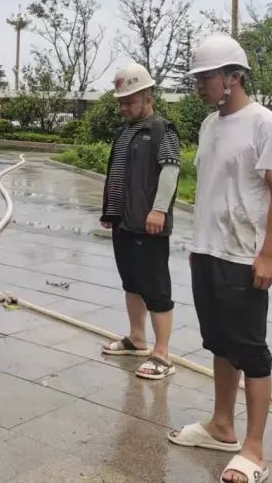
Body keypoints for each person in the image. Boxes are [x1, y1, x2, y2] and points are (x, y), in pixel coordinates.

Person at [168, 33, 272, 483]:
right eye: (197, 78)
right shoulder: (209, 125)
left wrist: (269, 255)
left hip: (243, 256)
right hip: (207, 252)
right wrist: (198, 247)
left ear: (233, 76)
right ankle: (222, 426)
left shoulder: (265, 125)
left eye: (206, 77)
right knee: (220, 343)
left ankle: (254, 450)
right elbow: (211, 188)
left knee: (251, 351)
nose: (199, 85)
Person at [99, 63, 182, 381]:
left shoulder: (162, 130)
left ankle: (162, 353)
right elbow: (118, 175)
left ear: (148, 95)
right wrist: (111, 212)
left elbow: (170, 171)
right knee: (131, 282)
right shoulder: (124, 132)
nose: (124, 107)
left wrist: (159, 210)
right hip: (124, 222)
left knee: (155, 287)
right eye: (121, 102)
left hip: (149, 224)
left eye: (130, 101)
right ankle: (136, 339)